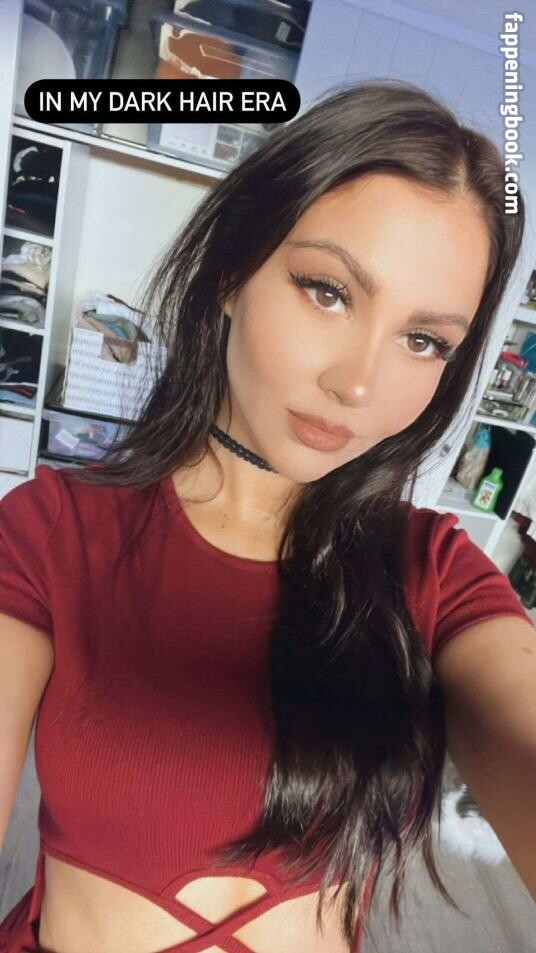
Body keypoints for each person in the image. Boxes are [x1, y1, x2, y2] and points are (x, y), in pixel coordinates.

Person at [1, 79, 535, 953]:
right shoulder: (52, 531)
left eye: (424, 340)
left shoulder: (433, 570)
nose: (358, 383)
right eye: (328, 290)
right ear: (231, 271)